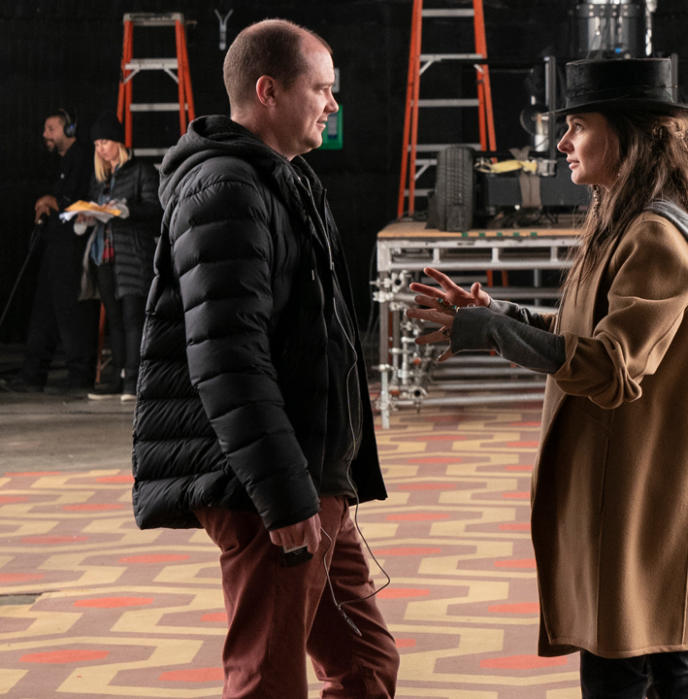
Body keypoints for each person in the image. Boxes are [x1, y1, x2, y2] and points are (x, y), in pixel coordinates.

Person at [409, 57, 688, 699]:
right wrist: (497, 313)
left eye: (578, 126)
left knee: (630, 668)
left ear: (627, 136)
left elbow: (611, 368)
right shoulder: (623, 219)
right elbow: (579, 331)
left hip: (643, 499)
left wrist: (496, 334)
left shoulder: (655, 237)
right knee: (664, 665)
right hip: (630, 493)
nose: (562, 144)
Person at [129, 19, 398, 698]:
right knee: (267, 679)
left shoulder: (284, 180)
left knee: (366, 664)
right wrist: (283, 494)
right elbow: (227, 360)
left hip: (312, 474)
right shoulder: (227, 189)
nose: (332, 104)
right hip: (271, 485)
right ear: (269, 90)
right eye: (321, 88)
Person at [2, 109, 97, 394]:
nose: (45, 135)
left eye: (51, 129)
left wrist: (52, 201)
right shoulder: (64, 162)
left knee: (70, 314)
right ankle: (33, 374)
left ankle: (79, 376)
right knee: (43, 311)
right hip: (54, 247)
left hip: (70, 248)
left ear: (69, 130)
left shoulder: (81, 157)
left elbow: (79, 203)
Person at [78, 113, 160, 401]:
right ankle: (119, 378)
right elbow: (94, 208)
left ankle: (134, 380)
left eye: (105, 142)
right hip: (106, 254)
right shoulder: (101, 178)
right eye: (97, 144)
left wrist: (128, 210)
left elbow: (156, 211)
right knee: (114, 317)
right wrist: (86, 217)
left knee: (132, 316)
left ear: (118, 142)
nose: (101, 148)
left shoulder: (140, 170)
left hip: (133, 254)